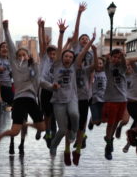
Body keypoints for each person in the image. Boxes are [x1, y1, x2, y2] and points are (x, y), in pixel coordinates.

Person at [0, 20, 46, 151]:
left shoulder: (34, 66)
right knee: (15, 131)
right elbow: (10, 45)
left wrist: (51, 87)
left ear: (28, 55)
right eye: (19, 55)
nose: (21, 56)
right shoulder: (15, 66)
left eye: (23, 54)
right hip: (20, 99)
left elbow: (39, 80)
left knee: (42, 127)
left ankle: (26, 125)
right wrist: (5, 28)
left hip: (31, 99)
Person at [47, 19, 80, 167]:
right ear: (62, 58)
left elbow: (81, 50)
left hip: (71, 98)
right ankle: (54, 145)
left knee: (75, 114)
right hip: (58, 100)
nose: (67, 58)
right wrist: (61, 33)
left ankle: (73, 132)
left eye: (70, 57)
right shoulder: (58, 63)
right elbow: (60, 48)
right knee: (61, 129)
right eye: (66, 56)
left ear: (73, 59)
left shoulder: (74, 67)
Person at [69, 30, 96, 166]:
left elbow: (93, 69)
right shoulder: (75, 53)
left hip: (85, 94)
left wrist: (91, 86)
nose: (85, 40)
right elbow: (79, 58)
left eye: (87, 39)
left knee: (82, 123)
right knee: (73, 120)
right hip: (73, 96)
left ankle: (78, 150)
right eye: (82, 38)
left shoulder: (90, 56)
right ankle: (73, 141)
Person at [102, 48, 127, 160]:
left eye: (118, 57)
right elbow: (105, 63)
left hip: (122, 98)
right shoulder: (108, 67)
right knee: (110, 123)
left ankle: (110, 138)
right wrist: (107, 59)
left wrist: (123, 57)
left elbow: (125, 64)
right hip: (111, 99)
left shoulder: (122, 67)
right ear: (111, 57)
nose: (116, 59)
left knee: (117, 121)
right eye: (114, 57)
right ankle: (108, 143)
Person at [37, 17, 57, 148]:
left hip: (55, 90)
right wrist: (41, 28)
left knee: (54, 113)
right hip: (45, 90)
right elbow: (42, 43)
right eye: (50, 53)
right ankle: (46, 130)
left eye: (54, 53)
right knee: (46, 113)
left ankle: (49, 131)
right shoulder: (44, 59)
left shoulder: (59, 62)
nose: (52, 55)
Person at [88, 57, 107, 130]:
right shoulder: (91, 73)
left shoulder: (106, 73)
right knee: (96, 121)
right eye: (97, 63)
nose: (98, 65)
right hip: (94, 99)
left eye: (100, 63)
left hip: (104, 99)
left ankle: (93, 120)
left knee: (102, 121)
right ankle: (92, 121)